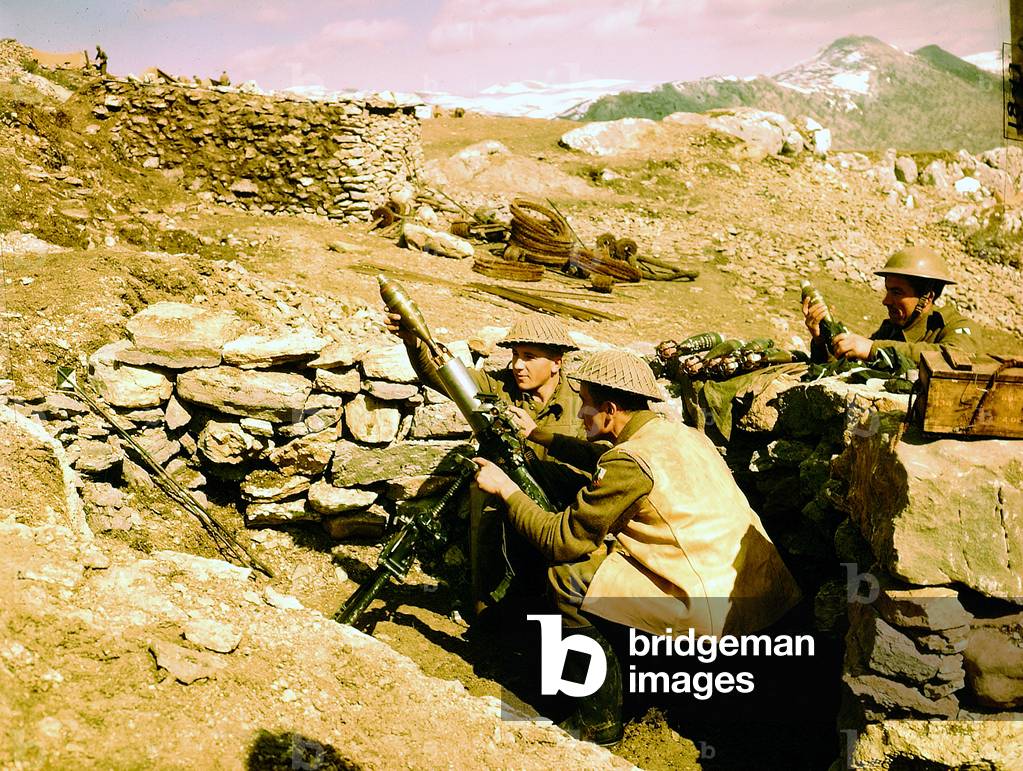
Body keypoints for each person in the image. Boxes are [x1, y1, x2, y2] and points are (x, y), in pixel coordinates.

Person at [474, 349, 802, 744]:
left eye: (587, 405)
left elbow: (560, 541)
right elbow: (603, 457)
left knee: (569, 576)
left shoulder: (628, 464)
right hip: (764, 592)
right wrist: (538, 435)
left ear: (610, 410)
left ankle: (597, 723)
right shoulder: (677, 434)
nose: (581, 413)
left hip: (710, 610)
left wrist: (506, 490)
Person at [386, 311, 589, 614]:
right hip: (500, 508)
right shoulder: (497, 388)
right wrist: (414, 343)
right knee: (491, 585)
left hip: (554, 516)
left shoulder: (581, 402)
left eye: (529, 357)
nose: (518, 365)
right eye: (515, 355)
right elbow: (443, 376)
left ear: (556, 362)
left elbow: (595, 459)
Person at [803, 246, 982, 362]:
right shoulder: (890, 331)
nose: (886, 301)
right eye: (887, 290)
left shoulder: (957, 327)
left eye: (897, 292)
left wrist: (873, 349)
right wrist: (820, 340)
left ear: (927, 297)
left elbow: (955, 357)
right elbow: (846, 370)